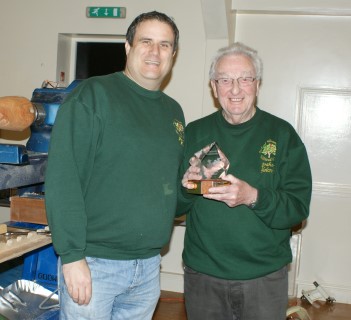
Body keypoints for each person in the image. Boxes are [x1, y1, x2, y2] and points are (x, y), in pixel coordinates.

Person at [45, 11, 185, 320]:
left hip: (148, 266)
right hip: (95, 264)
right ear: (127, 47)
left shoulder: (173, 112)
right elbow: (63, 178)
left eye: (164, 45)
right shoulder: (93, 96)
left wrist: (194, 183)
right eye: (145, 41)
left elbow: (167, 187)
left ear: (173, 54)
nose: (154, 52)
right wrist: (72, 256)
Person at [178, 42, 312, 320]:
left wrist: (253, 197)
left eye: (245, 79)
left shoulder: (283, 135)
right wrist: (187, 186)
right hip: (203, 276)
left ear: (257, 84)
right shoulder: (194, 132)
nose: (235, 89)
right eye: (225, 80)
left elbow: (298, 208)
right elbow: (174, 207)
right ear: (214, 87)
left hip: (264, 278)